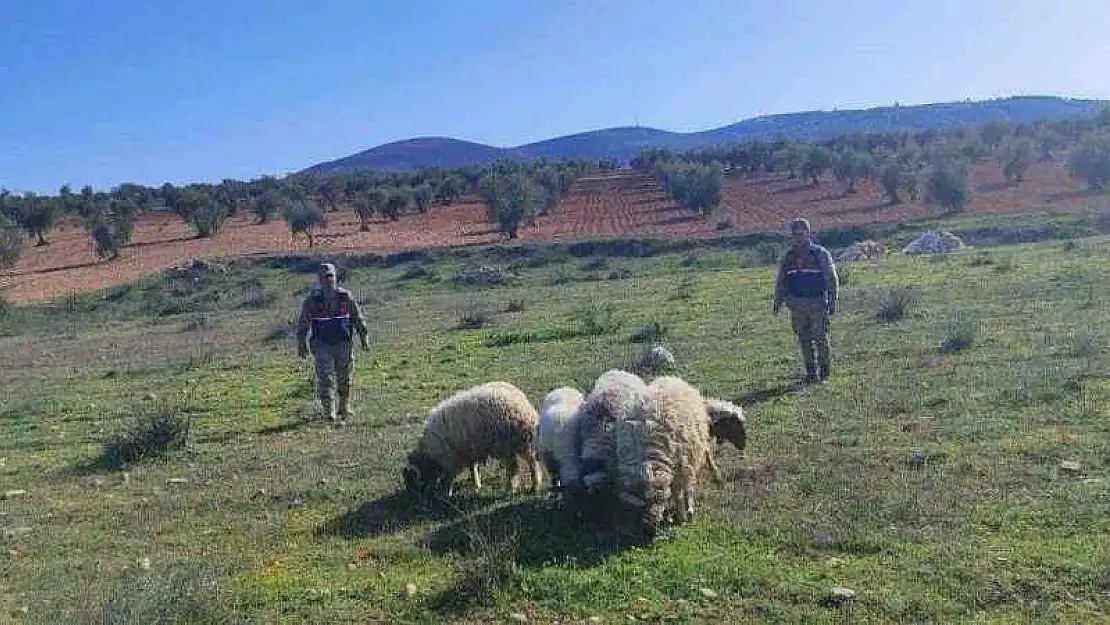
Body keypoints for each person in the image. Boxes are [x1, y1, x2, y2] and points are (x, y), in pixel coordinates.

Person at [295, 262, 370, 421]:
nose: (328, 280)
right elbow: (303, 322)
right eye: (325, 277)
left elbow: (357, 318)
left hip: (343, 342)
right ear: (319, 279)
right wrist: (301, 343)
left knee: (345, 376)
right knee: (325, 377)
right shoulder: (313, 300)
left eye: (331, 276)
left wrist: (364, 338)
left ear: (335, 277)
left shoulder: (345, 296)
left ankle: (344, 407)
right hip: (321, 343)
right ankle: (329, 411)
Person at [772, 218, 839, 383]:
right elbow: (781, 281)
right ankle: (811, 372)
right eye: (795, 234)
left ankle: (824, 372)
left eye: (801, 233)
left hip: (817, 302)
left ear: (808, 233)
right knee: (803, 339)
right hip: (797, 304)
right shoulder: (788, 257)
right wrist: (778, 302)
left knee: (820, 337)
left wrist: (832, 300)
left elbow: (831, 278)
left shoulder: (820, 253)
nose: (798, 237)